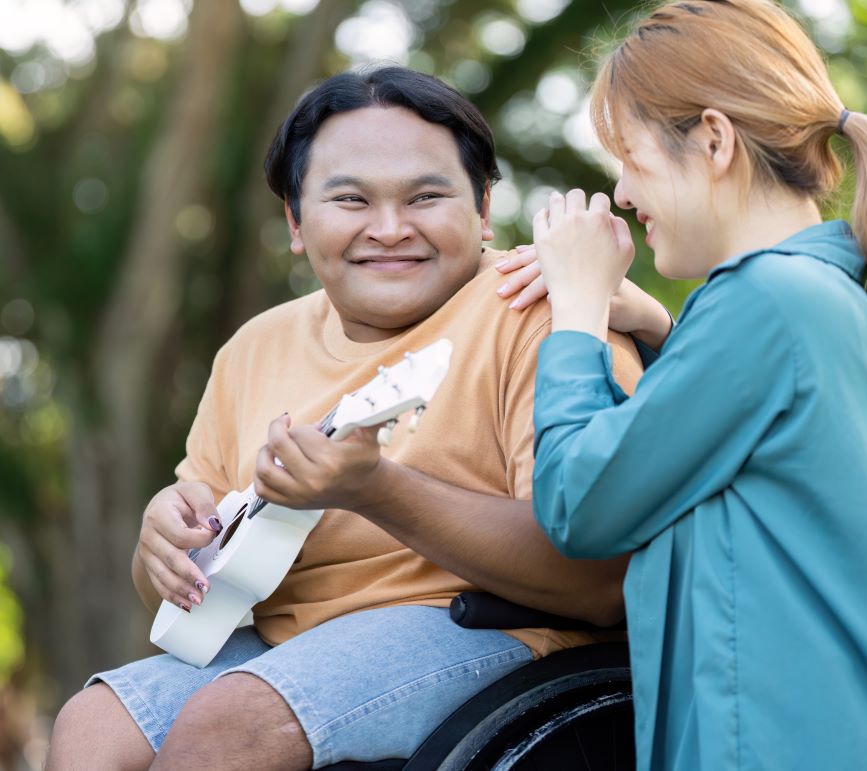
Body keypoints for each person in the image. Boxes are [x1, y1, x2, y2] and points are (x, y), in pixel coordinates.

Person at [45, 67, 647, 770]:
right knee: (89, 726)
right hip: (283, 643)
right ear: (297, 222)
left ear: (483, 207)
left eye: (426, 195)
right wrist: (165, 545)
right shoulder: (253, 348)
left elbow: (596, 577)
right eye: (350, 199)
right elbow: (193, 579)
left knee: (234, 720)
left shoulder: (543, 306)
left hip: (498, 629)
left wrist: (375, 487)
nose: (389, 229)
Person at [508, 0, 867, 768]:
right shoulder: (814, 294)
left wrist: (576, 312)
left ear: (713, 140)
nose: (619, 192)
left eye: (631, 157)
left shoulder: (765, 304)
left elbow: (580, 503)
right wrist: (661, 330)